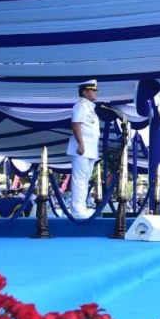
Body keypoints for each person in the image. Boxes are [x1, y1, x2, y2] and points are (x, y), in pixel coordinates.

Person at [67, 80, 101, 218]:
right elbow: (76, 125)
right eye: (93, 91)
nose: (95, 93)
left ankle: (81, 207)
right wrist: (81, 144)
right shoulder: (80, 106)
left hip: (90, 148)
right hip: (82, 148)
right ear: (85, 92)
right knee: (80, 179)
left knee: (85, 179)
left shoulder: (90, 108)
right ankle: (77, 210)